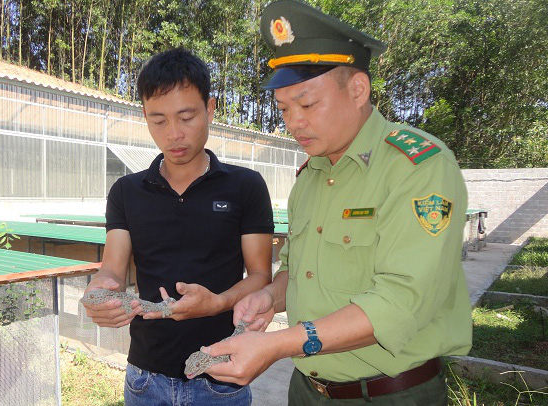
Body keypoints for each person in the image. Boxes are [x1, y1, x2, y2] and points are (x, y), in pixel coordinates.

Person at [202, 1, 473, 404]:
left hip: (390, 394)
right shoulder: (310, 177)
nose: (293, 122)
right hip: (308, 390)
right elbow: (298, 270)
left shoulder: (417, 167)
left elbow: (400, 302)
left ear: (358, 89)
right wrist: (269, 298)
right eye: (284, 108)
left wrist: (280, 344)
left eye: (307, 104)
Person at [82, 48, 274, 406]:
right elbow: (112, 267)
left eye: (186, 117)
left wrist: (216, 303)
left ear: (210, 108)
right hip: (145, 378)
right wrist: (100, 289)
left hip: (221, 377)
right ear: (144, 115)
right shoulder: (127, 191)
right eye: (158, 120)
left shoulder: (245, 186)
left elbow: (261, 276)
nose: (173, 134)